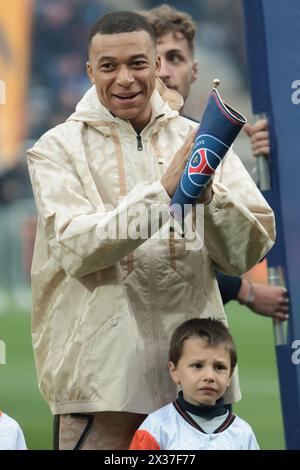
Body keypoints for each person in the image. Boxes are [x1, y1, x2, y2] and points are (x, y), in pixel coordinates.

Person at [27, 11, 275, 450]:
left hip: (196, 392)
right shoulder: (55, 150)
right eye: (109, 67)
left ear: (157, 64)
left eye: (138, 63)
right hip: (101, 393)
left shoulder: (199, 139)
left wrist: (210, 200)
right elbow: (78, 248)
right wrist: (162, 194)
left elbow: (250, 248)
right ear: (90, 71)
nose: (125, 79)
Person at [146, 3, 289, 321]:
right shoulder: (117, 145)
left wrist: (268, 165)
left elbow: (243, 243)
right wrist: (244, 291)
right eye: (153, 60)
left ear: (194, 70)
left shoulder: (213, 144)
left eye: (174, 57)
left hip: (198, 341)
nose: (164, 71)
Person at [130, 317, 259, 450]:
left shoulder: (243, 434)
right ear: (175, 371)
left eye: (219, 367)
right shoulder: (156, 429)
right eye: (197, 365)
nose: (209, 376)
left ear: (230, 376)